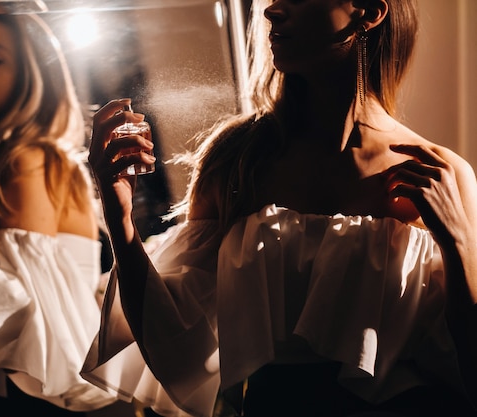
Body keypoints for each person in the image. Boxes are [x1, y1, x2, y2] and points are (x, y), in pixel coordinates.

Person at [82, 0, 477, 416]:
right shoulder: (237, 159)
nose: (271, 11)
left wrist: (461, 246)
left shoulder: (438, 172)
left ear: (370, 11)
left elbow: (467, 368)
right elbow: (176, 350)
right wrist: (118, 214)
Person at [0, 11, 135, 417]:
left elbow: (26, 320)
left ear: (28, 77)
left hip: (60, 402)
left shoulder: (27, 160)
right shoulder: (22, 160)